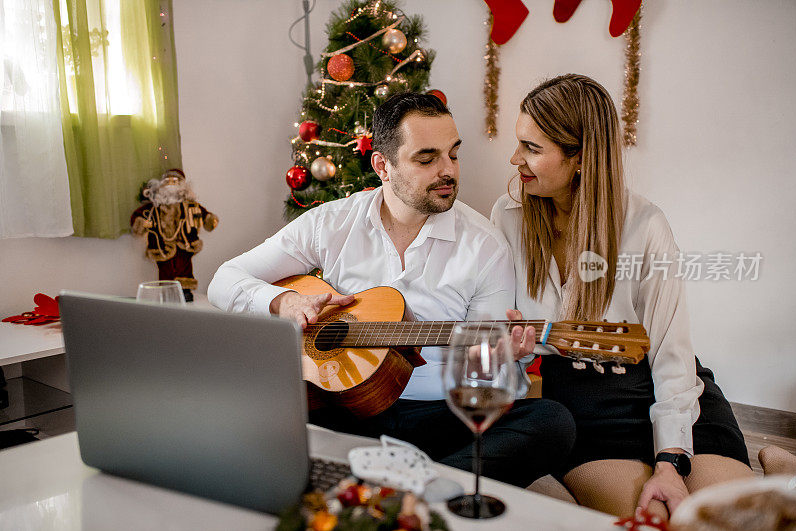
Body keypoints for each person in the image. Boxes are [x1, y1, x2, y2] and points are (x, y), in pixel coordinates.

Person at [208, 92, 575, 487]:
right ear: (382, 166)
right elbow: (224, 279)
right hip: (343, 407)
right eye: (426, 158)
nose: (447, 170)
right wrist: (285, 301)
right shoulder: (330, 223)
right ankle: (423, 485)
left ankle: (402, 489)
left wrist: (499, 360)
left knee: (551, 422)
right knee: (240, 408)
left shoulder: (485, 246)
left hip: (440, 415)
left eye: (454, 154)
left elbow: (483, 383)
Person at [491, 74, 752, 517]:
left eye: (532, 148)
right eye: (520, 143)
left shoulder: (646, 225)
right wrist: (510, 350)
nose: (515, 159)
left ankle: (780, 461)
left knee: (725, 524)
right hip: (584, 402)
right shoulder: (508, 216)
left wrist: (670, 460)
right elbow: (504, 330)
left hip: (673, 392)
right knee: (656, 525)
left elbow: (672, 354)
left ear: (581, 158)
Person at [131, 168, 219, 302]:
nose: (171, 183)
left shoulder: (190, 206)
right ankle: (167, 292)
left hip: (185, 244)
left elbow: (204, 214)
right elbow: (139, 216)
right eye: (167, 181)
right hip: (161, 246)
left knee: (184, 268)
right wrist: (141, 223)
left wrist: (209, 220)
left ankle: (185, 291)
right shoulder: (154, 207)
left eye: (175, 181)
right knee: (166, 270)